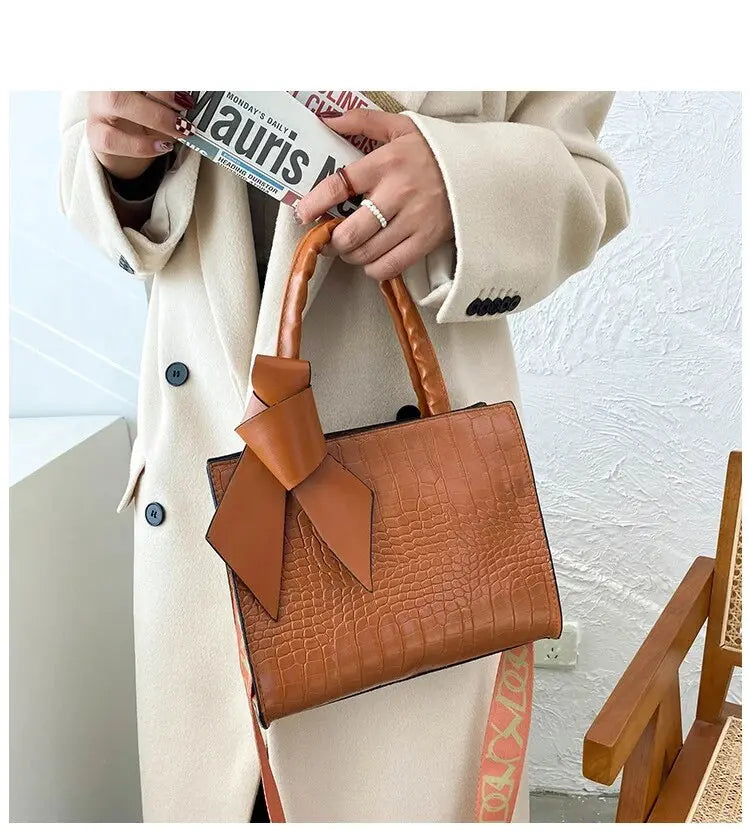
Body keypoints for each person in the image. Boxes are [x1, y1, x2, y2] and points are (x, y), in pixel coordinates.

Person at [59, 90, 629, 823]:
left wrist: (460, 182)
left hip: (410, 535)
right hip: (205, 486)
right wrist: (122, 166)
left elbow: (587, 185)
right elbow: (84, 159)